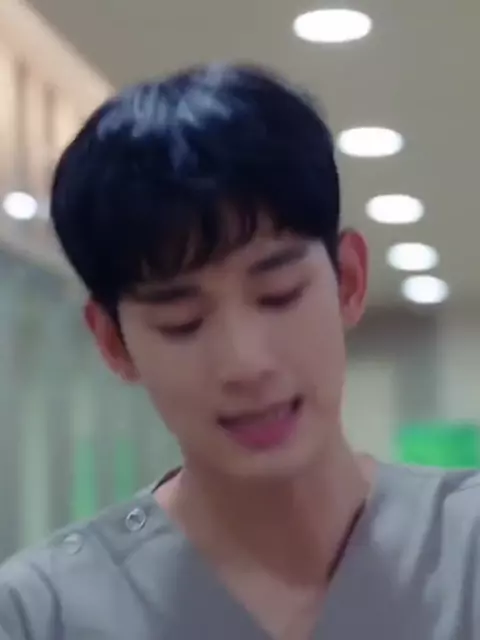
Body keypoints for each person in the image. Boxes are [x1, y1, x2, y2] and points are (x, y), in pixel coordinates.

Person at [0, 63, 479, 640]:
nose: (246, 363)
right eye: (182, 323)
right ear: (113, 343)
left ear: (348, 281)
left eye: (279, 295)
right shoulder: (42, 616)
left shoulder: (467, 554)